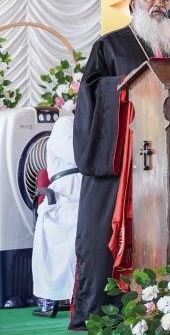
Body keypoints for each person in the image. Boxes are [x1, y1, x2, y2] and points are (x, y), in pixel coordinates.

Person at [71, 0, 170, 330]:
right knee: (101, 238)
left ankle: (168, 306)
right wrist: (126, 89)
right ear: (134, 4)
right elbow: (91, 97)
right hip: (118, 160)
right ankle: (102, 311)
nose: (158, 4)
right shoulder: (110, 45)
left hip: (167, 161)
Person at [32, 112, 81, 317]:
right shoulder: (65, 123)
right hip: (65, 193)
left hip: (89, 187)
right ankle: (55, 294)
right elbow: (78, 156)